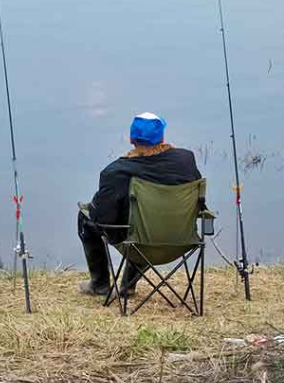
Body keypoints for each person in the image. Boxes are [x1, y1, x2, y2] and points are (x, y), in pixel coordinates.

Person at [78, 112, 203, 296]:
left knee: (86, 218)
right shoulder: (186, 161)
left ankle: (100, 284)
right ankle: (128, 286)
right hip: (180, 241)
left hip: (139, 246)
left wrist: (93, 209)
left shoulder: (115, 172)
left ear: (131, 139)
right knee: (147, 221)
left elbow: (102, 217)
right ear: (162, 138)